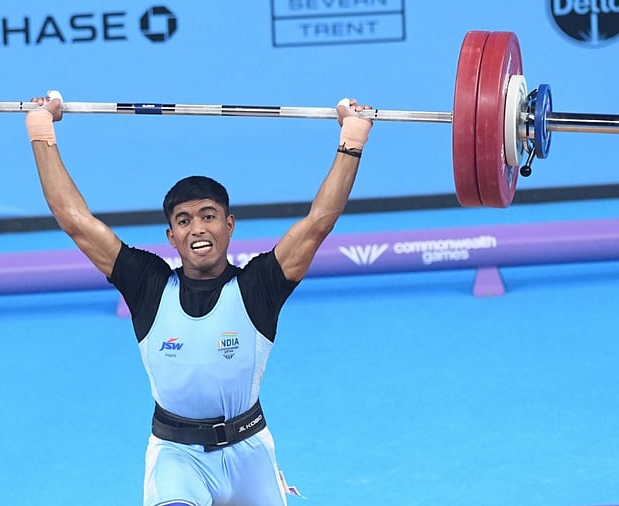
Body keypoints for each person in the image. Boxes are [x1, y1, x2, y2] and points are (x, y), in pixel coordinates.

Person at [25, 92, 373, 506]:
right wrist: (41, 129)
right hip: (177, 457)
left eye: (208, 216)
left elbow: (318, 223)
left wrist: (352, 137)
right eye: (184, 220)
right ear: (171, 237)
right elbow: (76, 221)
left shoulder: (258, 286)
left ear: (229, 225)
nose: (197, 229)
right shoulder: (148, 285)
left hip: (250, 456)